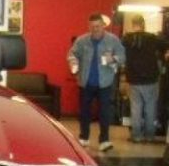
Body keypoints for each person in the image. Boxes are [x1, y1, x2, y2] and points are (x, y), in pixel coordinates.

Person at [68, 13, 126, 152]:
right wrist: (73, 61)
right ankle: (84, 137)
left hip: (105, 82)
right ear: (89, 26)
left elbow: (123, 57)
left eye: (98, 26)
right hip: (85, 82)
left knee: (105, 112)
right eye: (93, 26)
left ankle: (104, 140)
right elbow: (72, 54)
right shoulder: (82, 40)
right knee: (84, 112)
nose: (96, 29)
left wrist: (113, 59)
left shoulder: (113, 40)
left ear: (103, 26)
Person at [122, 15, 169, 143]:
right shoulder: (153, 38)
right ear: (143, 24)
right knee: (150, 107)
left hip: (133, 78)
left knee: (136, 108)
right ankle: (149, 136)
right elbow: (166, 46)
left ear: (133, 24)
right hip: (151, 78)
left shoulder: (126, 39)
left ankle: (136, 136)